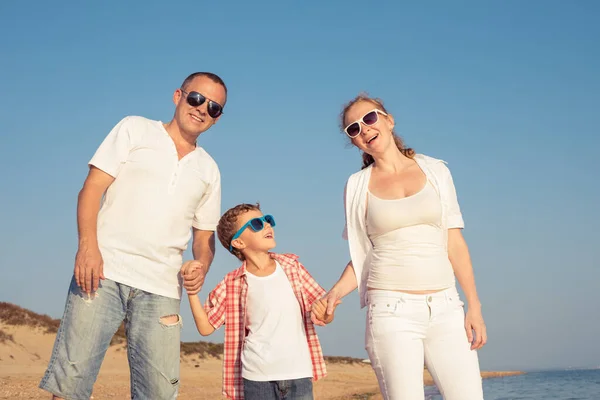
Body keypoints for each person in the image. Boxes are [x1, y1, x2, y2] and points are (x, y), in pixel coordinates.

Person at [39, 72, 227, 400]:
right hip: (102, 272)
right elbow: (91, 189)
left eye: (213, 107)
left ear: (217, 118)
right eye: (196, 98)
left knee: (158, 393)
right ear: (178, 96)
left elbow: (204, 236)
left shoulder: (209, 170)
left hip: (163, 289)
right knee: (71, 384)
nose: (202, 109)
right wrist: (87, 247)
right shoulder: (134, 128)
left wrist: (202, 263)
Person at [313, 94, 487, 400]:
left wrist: (474, 306)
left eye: (369, 118)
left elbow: (455, 242)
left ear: (388, 120)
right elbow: (361, 255)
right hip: (391, 313)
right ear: (354, 142)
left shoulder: (436, 170)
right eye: (353, 129)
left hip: (446, 307)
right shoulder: (357, 186)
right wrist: (333, 295)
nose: (363, 129)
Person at [183, 203, 336, 400]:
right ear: (238, 243)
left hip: (299, 374)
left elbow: (323, 313)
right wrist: (192, 290)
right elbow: (205, 327)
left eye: (267, 220)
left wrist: (327, 312)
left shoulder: (293, 267)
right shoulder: (232, 283)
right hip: (257, 378)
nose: (266, 225)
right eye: (256, 224)